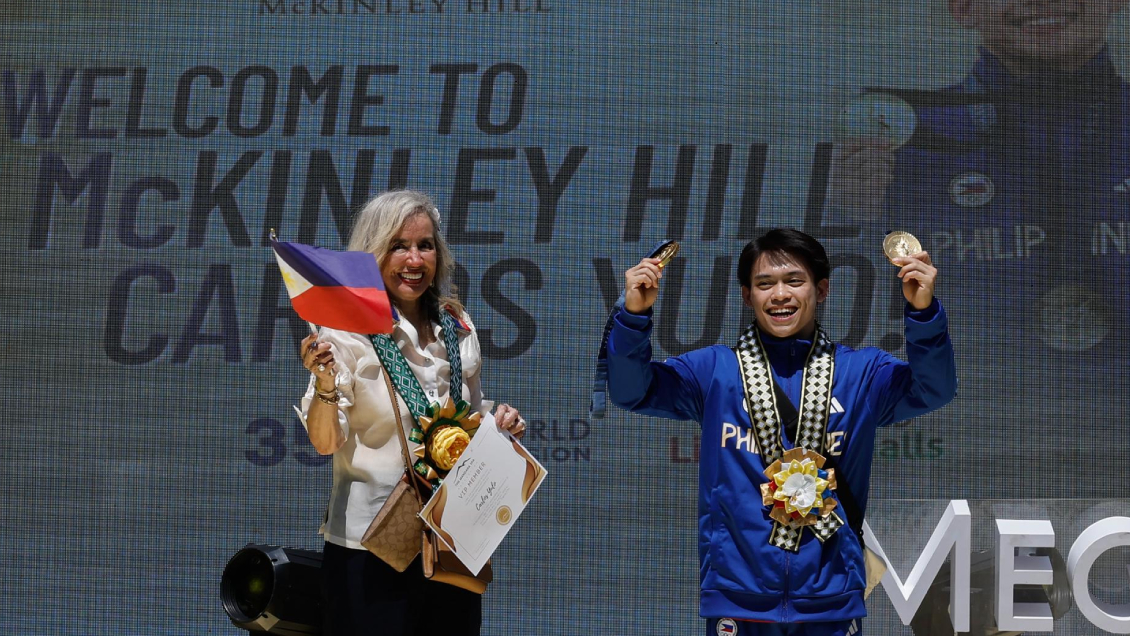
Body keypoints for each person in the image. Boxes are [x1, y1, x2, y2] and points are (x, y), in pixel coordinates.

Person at [605, 229, 956, 635]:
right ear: (746, 295)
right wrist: (634, 316)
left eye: (794, 281)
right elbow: (632, 391)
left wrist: (924, 313)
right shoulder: (715, 371)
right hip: (739, 596)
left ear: (821, 290)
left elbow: (934, 389)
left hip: (830, 598)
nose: (779, 295)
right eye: (764, 283)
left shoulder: (862, 374)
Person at [297, 189, 526, 636]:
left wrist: (499, 427)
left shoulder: (458, 327)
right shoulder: (346, 333)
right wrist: (325, 384)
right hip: (372, 547)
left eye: (425, 246)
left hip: (451, 539)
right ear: (372, 254)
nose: (414, 260)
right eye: (399, 246)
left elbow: (469, 419)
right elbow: (325, 442)